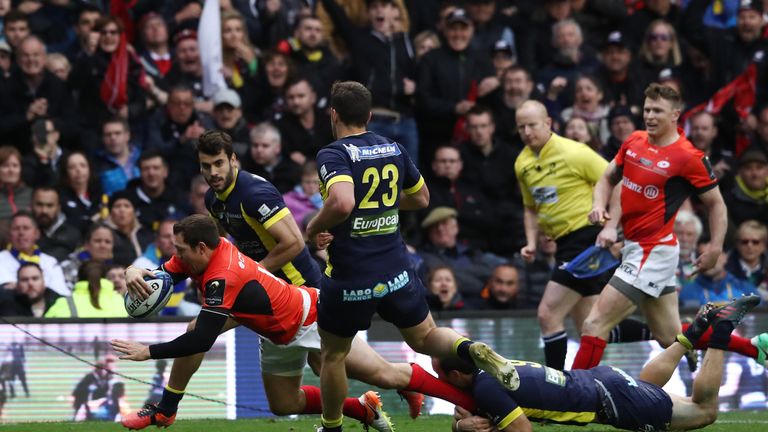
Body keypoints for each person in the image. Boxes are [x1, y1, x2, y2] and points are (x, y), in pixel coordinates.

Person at [112, 215, 475, 430]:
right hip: (275, 333)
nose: (176, 255)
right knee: (283, 405)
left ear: (202, 249)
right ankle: (361, 408)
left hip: (313, 318)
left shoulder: (222, 275)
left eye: (180, 249)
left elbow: (203, 340)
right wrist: (133, 269)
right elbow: (163, 274)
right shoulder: (207, 248)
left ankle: (472, 403)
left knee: (385, 375)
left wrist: (149, 351)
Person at [306, 81, 516, 432]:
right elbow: (420, 199)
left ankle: (332, 427)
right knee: (425, 337)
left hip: (351, 276)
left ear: (333, 114)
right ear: (370, 116)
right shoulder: (393, 146)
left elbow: (342, 202)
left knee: (333, 355)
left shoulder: (334, 154)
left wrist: (314, 226)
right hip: (396, 271)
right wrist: (381, 204)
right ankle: (470, 348)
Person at [574, 83, 729, 370]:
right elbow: (607, 177)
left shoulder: (688, 157)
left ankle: (572, 403)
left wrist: (716, 247)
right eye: (647, 109)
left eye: (658, 110)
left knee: (594, 323)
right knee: (668, 336)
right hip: (636, 247)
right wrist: (599, 206)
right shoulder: (634, 141)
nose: (650, 116)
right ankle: (752, 346)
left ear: (675, 115)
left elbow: (716, 204)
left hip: (653, 251)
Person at [443, 295, 760, 432]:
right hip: (602, 380)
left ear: (456, 374)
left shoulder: (485, 388)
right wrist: (461, 424)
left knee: (704, 411)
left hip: (610, 399)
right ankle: (689, 336)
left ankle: (720, 331)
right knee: (650, 391)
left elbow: (520, 428)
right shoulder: (491, 369)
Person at [513, 99, 614, 370]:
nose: (527, 132)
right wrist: (532, 242)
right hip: (563, 244)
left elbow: (615, 180)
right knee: (592, 326)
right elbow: (531, 208)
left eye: (532, 125)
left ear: (548, 123)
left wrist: (610, 223)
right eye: (521, 127)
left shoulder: (575, 152)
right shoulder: (522, 163)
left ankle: (554, 388)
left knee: (548, 314)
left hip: (585, 239)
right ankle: (676, 336)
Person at [196, 129, 321, 288]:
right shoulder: (211, 198)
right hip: (264, 284)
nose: (213, 172)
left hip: (299, 284)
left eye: (219, 163)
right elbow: (219, 241)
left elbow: (294, 243)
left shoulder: (254, 194)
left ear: (233, 160)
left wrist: (253, 275)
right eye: (206, 166)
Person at [0, 211, 67, 295]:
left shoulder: (50, 262)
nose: (21, 233)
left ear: (37, 234)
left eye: (26, 228)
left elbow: (62, 293)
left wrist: (17, 287)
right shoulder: (1, 260)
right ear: (9, 234)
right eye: (16, 228)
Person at [45, 260, 127, 318]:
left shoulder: (63, 303)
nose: (116, 280)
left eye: (122, 277)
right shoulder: (122, 303)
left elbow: (43, 333)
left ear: (78, 279)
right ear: (105, 279)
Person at [31, 186, 81, 262]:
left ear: (59, 207)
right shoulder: (21, 232)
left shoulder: (73, 234)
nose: (44, 211)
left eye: (50, 206)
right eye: (39, 205)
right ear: (31, 205)